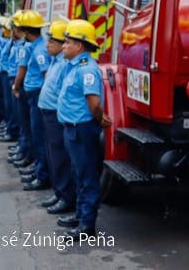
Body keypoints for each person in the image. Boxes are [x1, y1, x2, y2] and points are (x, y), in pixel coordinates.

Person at [57, 19, 111, 238]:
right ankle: (80, 215)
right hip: (72, 129)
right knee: (79, 174)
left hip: (82, 130)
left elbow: (94, 104)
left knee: (87, 176)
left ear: (79, 46)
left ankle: (87, 226)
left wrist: (100, 119)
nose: (63, 46)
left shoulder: (87, 70)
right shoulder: (73, 66)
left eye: (67, 42)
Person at [38, 20, 77, 215]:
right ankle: (58, 191)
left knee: (61, 158)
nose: (47, 45)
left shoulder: (65, 65)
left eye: (51, 42)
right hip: (47, 113)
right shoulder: (55, 60)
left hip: (56, 115)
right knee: (53, 155)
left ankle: (66, 196)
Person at [13, 9, 51, 191]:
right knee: (35, 135)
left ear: (27, 31)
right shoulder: (35, 46)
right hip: (32, 94)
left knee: (39, 137)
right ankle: (38, 169)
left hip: (37, 96)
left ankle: (42, 175)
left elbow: (46, 77)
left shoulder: (40, 50)